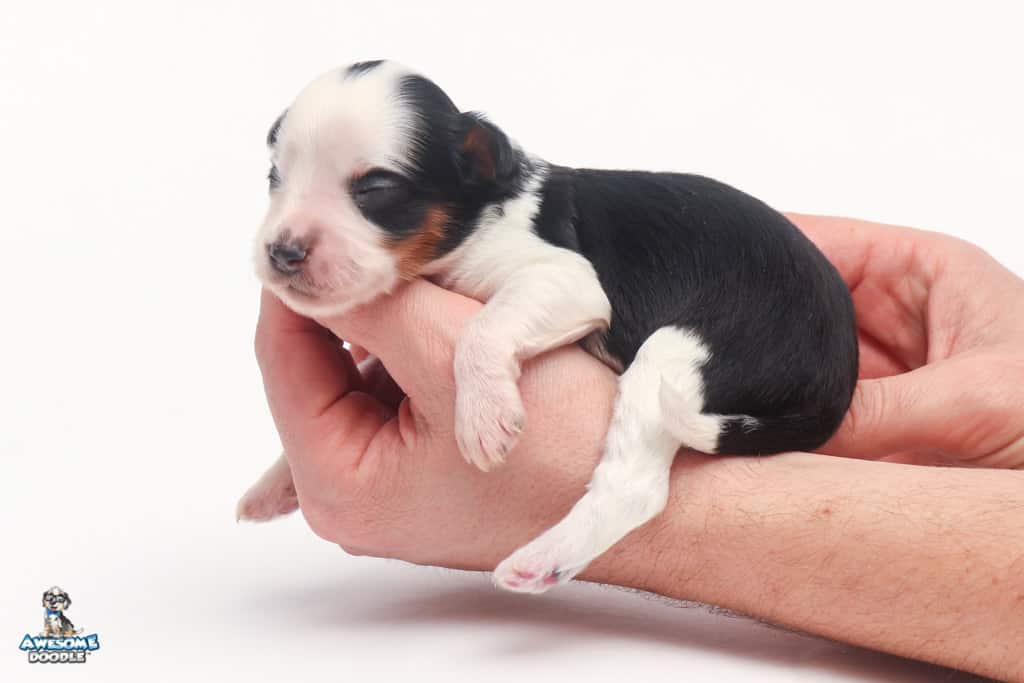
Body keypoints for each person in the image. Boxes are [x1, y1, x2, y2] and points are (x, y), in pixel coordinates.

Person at [253, 214, 1024, 681]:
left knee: (650, 372)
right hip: (761, 316)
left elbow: (574, 297)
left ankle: (622, 499)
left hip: (743, 341)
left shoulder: (524, 232)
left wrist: (496, 375)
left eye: (373, 192)